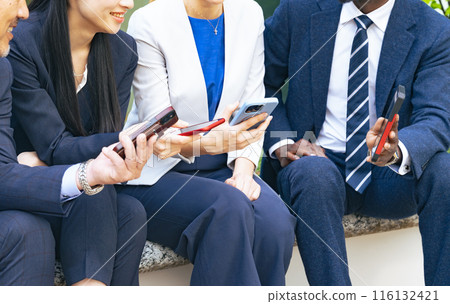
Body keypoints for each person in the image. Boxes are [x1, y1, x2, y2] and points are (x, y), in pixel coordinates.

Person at [262, 0, 450, 285]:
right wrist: (284, 142)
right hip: (317, 163)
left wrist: (394, 149)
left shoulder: (432, 29)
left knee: (444, 170)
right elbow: (260, 82)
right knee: (313, 175)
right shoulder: (297, 9)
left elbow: (435, 117)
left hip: (388, 173)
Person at [121, 0, 297, 286]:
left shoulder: (250, 13)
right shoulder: (148, 21)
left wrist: (243, 172)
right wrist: (212, 142)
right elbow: (162, 132)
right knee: (228, 208)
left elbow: (251, 107)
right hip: (157, 171)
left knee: (275, 224)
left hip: (224, 165)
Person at [4, 0, 161, 286]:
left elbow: (99, 148)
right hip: (26, 191)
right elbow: (57, 146)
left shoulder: (122, 50)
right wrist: (128, 138)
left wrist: (133, 141)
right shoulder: (20, 40)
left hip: (72, 192)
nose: (127, 3)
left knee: (130, 212)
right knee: (103, 195)